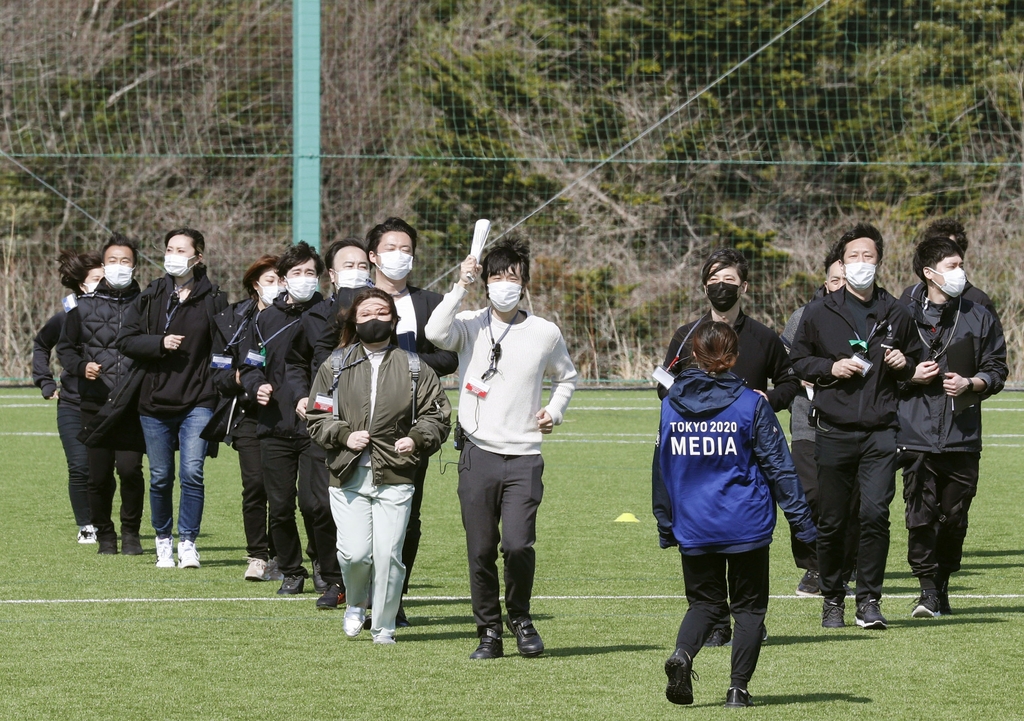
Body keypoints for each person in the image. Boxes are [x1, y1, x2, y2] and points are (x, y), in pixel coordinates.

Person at [425, 236, 578, 660]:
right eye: (496, 277)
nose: (504, 284)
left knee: (516, 545)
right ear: (486, 282)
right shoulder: (471, 323)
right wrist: (460, 286)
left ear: (525, 283)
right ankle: (488, 631)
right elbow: (434, 332)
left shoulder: (545, 331)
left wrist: (554, 411)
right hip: (477, 454)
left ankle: (521, 618)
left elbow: (566, 377)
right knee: (479, 549)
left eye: (512, 277)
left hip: (524, 456)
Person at [655, 322, 816, 708]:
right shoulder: (751, 404)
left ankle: (683, 654)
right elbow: (780, 468)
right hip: (745, 524)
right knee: (748, 608)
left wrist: (665, 522)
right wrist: (804, 526)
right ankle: (737, 689)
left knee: (704, 605)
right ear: (734, 359)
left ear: (694, 354)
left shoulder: (670, 404)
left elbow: (661, 468)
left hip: (693, 524)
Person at [655, 248, 800, 647]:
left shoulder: (765, 337)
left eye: (730, 282)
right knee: (706, 531)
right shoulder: (687, 335)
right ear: (705, 288)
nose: (722, 288)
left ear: (744, 287)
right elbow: (661, 385)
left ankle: (748, 617)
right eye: (715, 282)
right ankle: (715, 620)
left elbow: (790, 383)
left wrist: (766, 399)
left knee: (742, 527)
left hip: (749, 452)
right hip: (700, 455)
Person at [789, 223, 924, 630]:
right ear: (841, 264)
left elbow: (918, 365)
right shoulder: (817, 313)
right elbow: (797, 362)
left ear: (879, 261)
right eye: (853, 257)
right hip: (831, 430)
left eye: (868, 256)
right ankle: (833, 599)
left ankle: (869, 600)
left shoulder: (897, 312)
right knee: (831, 521)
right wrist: (829, 367)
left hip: (881, 432)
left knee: (874, 515)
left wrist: (905, 366)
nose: (861, 263)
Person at [307, 287, 451, 644]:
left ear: (394, 320)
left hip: (397, 472)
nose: (374, 319)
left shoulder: (415, 366)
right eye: (367, 314)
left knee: (389, 554)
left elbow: (438, 414)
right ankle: (356, 601)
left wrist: (416, 438)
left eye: (382, 313)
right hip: (347, 471)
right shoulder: (335, 365)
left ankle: (384, 625)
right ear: (354, 321)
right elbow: (316, 415)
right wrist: (343, 435)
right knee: (355, 553)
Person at [898, 236, 1007, 617]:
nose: (960, 272)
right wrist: (911, 375)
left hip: (962, 435)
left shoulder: (979, 314)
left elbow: (997, 369)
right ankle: (927, 590)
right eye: (952, 266)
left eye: (961, 265)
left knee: (954, 517)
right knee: (921, 514)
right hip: (916, 434)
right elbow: (879, 373)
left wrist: (971, 384)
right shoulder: (900, 314)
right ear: (929, 273)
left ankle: (943, 582)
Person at [359, 218, 458, 626]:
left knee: (405, 517)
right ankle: (360, 594)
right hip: (360, 426)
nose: (400, 256)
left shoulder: (430, 302)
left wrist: (406, 362)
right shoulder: (354, 300)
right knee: (360, 518)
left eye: (406, 249)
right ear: (373, 256)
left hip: (410, 427)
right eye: (391, 248)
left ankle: (392, 600)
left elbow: (448, 357)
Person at [117, 228, 228, 569]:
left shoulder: (214, 300)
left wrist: (218, 386)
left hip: (199, 400)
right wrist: (158, 343)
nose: (173, 255)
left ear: (198, 257)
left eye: (181, 249)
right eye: (169, 248)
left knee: (192, 472)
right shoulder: (152, 294)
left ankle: (188, 542)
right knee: (161, 476)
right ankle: (163, 539)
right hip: (154, 403)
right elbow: (126, 340)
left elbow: (223, 348)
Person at [286, 236, 372, 608]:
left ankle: (367, 582)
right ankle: (332, 577)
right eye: (348, 267)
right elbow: (294, 363)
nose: (357, 273)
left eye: (362, 266)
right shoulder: (314, 317)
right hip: (322, 423)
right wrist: (301, 395)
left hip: (368, 424)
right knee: (314, 504)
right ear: (333, 275)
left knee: (364, 505)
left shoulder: (381, 311)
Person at [239, 241, 329, 595]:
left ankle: (323, 563)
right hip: (273, 424)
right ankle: (291, 569)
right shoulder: (264, 318)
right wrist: (255, 384)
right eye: (297, 273)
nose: (304, 279)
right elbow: (250, 363)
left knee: (316, 504)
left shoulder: (329, 314)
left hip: (316, 425)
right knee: (278, 506)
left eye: (311, 273)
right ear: (284, 277)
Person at [57, 234, 146, 555]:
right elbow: (65, 349)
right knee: (97, 475)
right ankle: (105, 535)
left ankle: (132, 534)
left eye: (125, 261)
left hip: (132, 403)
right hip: (94, 401)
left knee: (130, 470)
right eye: (113, 261)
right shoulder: (80, 307)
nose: (119, 267)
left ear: (135, 266)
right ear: (103, 265)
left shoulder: (147, 303)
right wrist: (82, 367)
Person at [780, 246, 860, 596]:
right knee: (807, 495)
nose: (840, 285)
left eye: (847, 278)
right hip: (808, 423)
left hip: (854, 423)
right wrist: (803, 376)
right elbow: (783, 362)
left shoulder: (874, 318)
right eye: (834, 279)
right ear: (825, 283)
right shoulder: (803, 317)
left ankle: (840, 567)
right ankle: (813, 565)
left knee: (848, 502)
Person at [210, 254, 283, 582]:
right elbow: (218, 373)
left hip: (287, 413)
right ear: (256, 285)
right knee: (255, 484)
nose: (278, 287)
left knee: (283, 490)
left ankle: (282, 555)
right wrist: (240, 378)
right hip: (247, 414)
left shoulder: (304, 316)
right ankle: (258, 556)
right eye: (271, 281)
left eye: (283, 280)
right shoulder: (232, 319)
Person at [33, 250, 104, 544]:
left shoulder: (124, 315)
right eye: (98, 279)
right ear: (81, 285)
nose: (105, 283)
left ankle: (112, 524)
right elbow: (41, 344)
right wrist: (45, 382)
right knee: (79, 466)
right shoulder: (66, 316)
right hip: (73, 404)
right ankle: (86, 525)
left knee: (110, 470)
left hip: (111, 404)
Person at [900, 219, 1000, 325]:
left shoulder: (977, 300)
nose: (946, 252)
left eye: (950, 247)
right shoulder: (911, 295)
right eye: (938, 248)